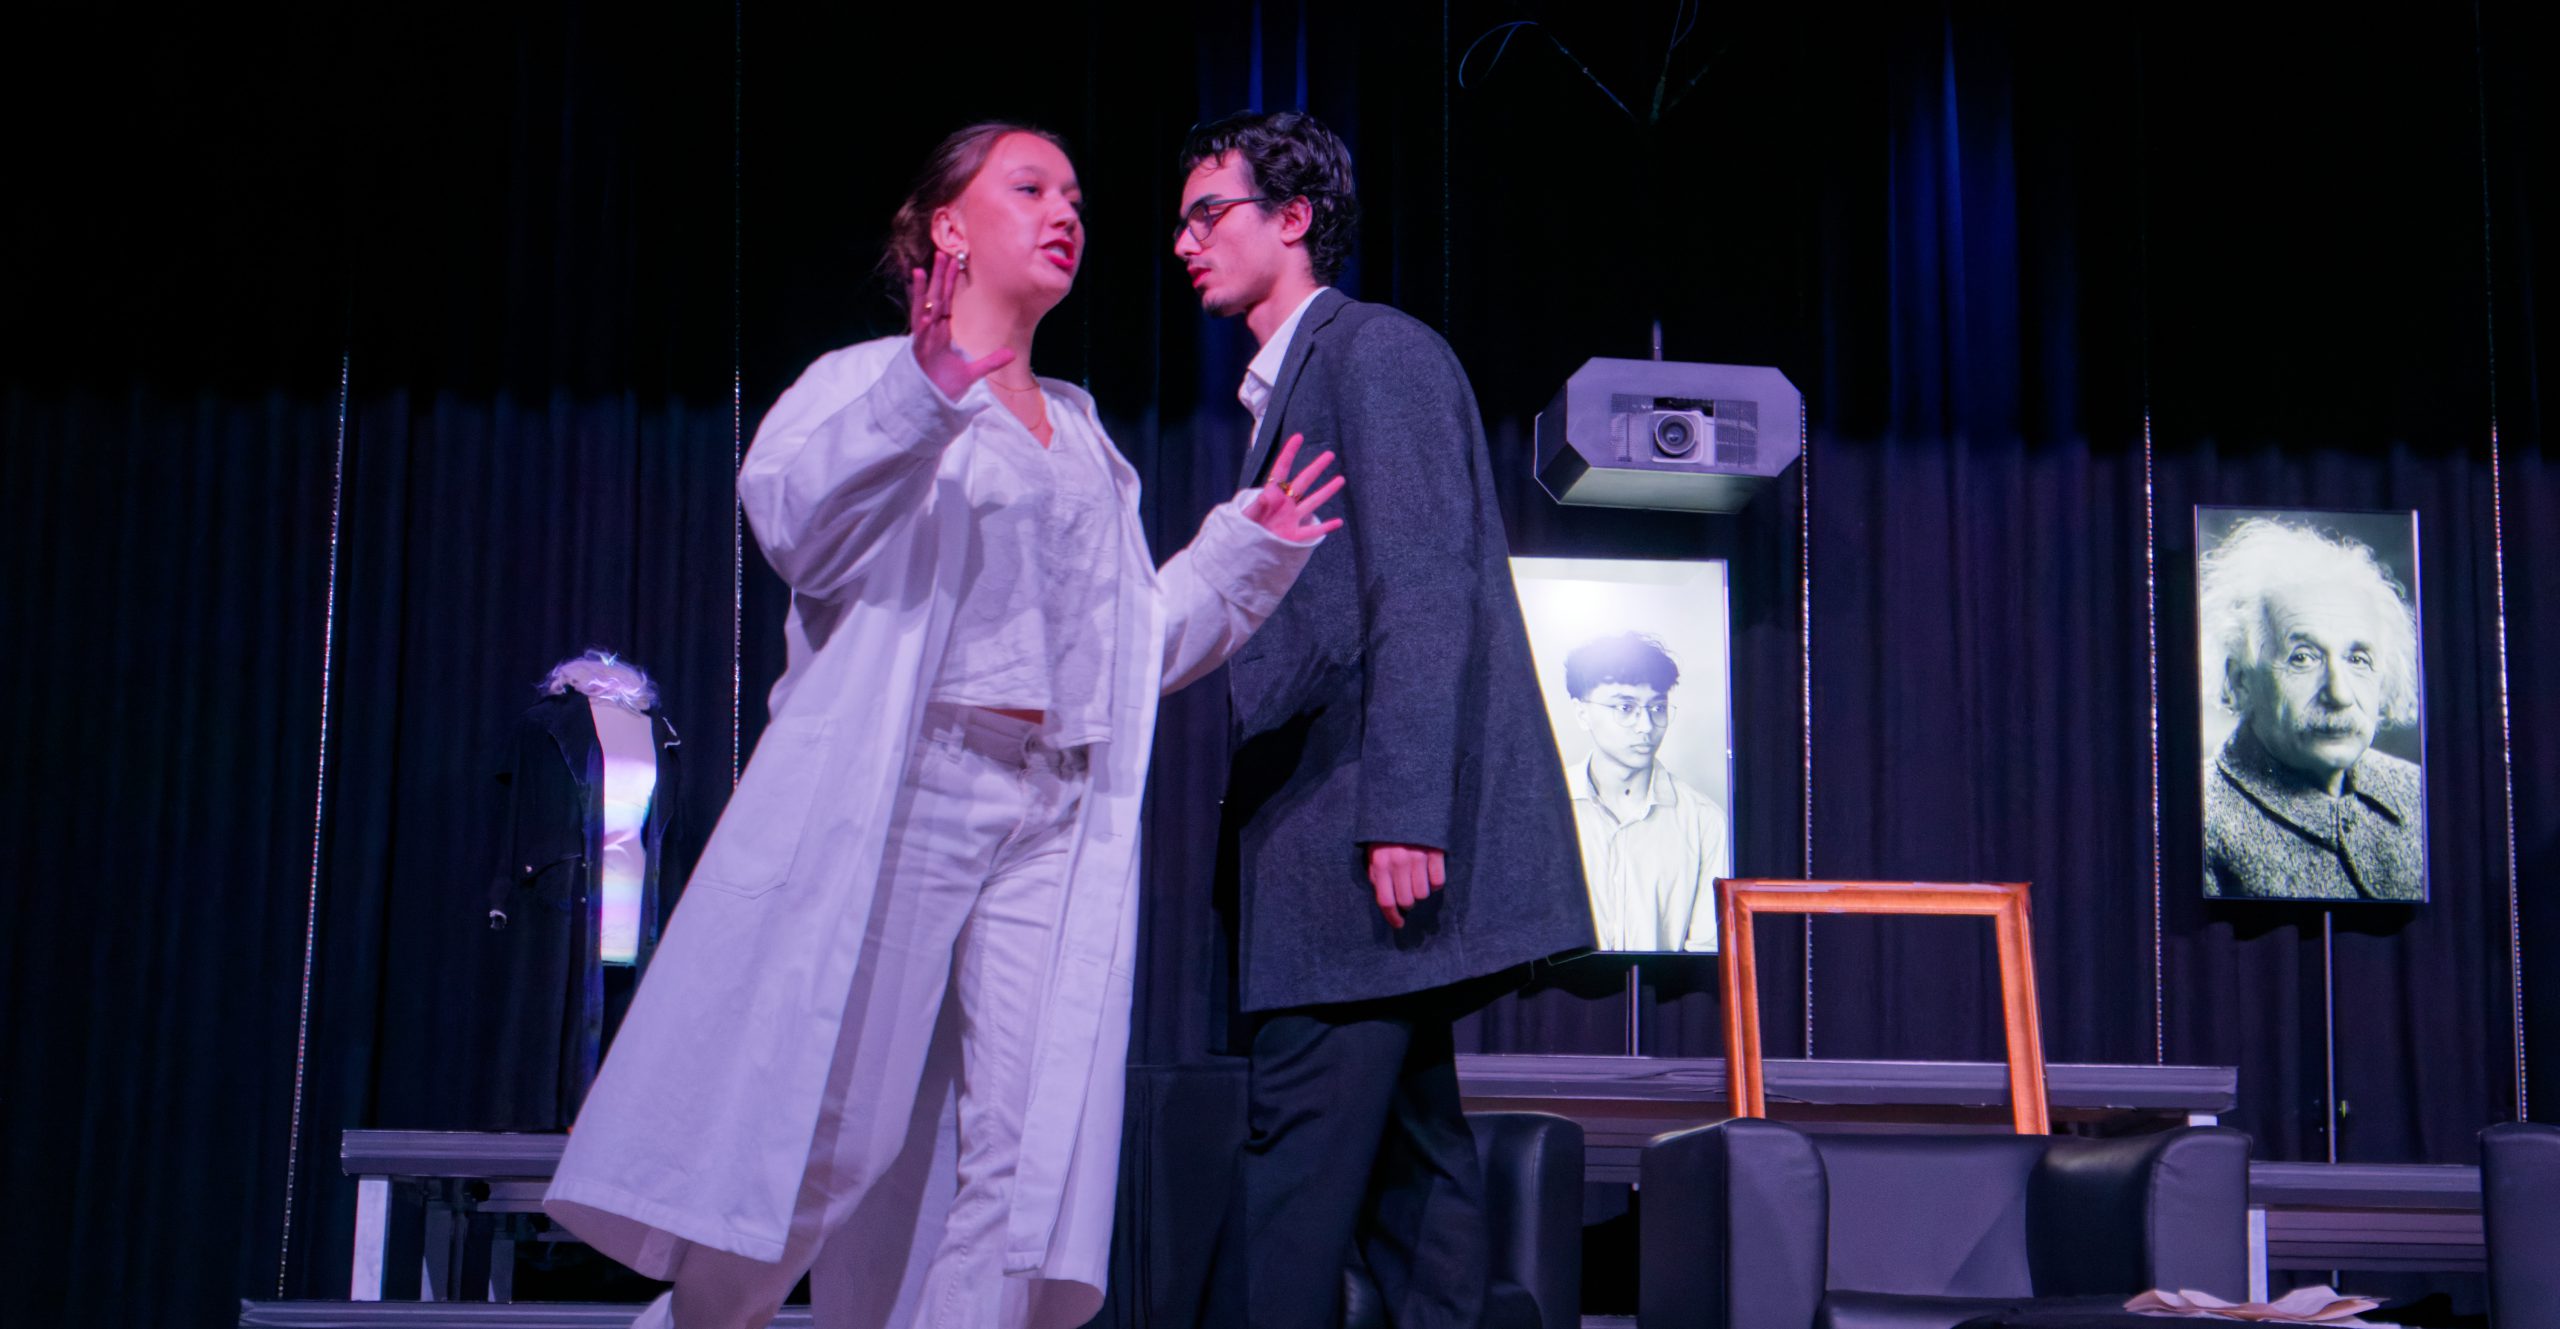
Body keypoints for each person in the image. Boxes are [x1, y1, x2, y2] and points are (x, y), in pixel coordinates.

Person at [542, 122, 1343, 1329]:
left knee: (1021, 1161)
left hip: (1052, 807)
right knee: (835, 1137)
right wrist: (919, 399)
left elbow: (1126, 648)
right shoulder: (865, 380)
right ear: (947, 225)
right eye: (1030, 187)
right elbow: (800, 528)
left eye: (1075, 196)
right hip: (919, 787)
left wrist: (1243, 553)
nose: (1065, 212)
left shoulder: (1077, 429)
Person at [1176, 110, 1594, 1329]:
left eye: (1209, 214)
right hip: (1325, 846)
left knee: (1296, 1174)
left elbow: (1422, 584)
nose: (1185, 242)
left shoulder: (1373, 353)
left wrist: (1405, 810)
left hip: (1354, 841)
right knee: (1417, 1177)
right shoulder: (1289, 389)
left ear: (1294, 219)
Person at [2198, 517, 2425, 901]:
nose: (2339, 694)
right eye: (2302, 657)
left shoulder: (2415, 790)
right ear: (2239, 681)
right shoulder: (2200, 818)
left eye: (2358, 659)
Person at [1559, 632, 1729, 951]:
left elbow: (1707, 953)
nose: (1646, 726)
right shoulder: (1543, 810)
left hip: (1662, 986)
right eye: (1625, 707)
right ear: (1582, 713)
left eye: (1657, 708)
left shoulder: (1704, 822)